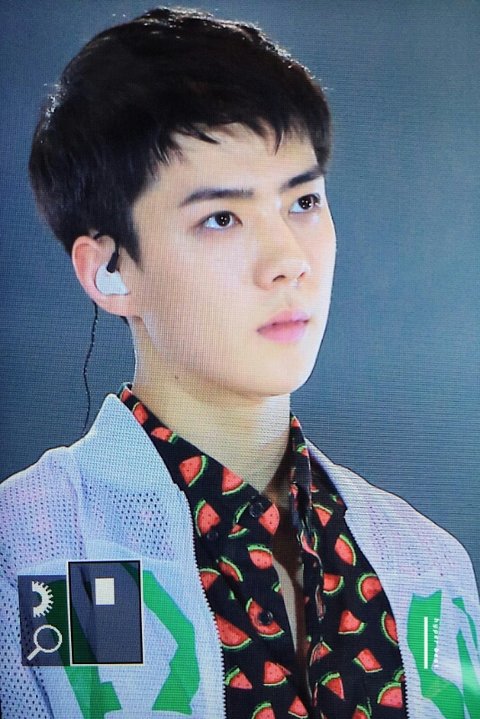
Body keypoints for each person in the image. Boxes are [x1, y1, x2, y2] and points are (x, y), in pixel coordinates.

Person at [0, 6, 478, 719]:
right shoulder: (31, 552)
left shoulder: (429, 564)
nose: (289, 260)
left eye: (304, 201)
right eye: (221, 218)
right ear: (110, 271)